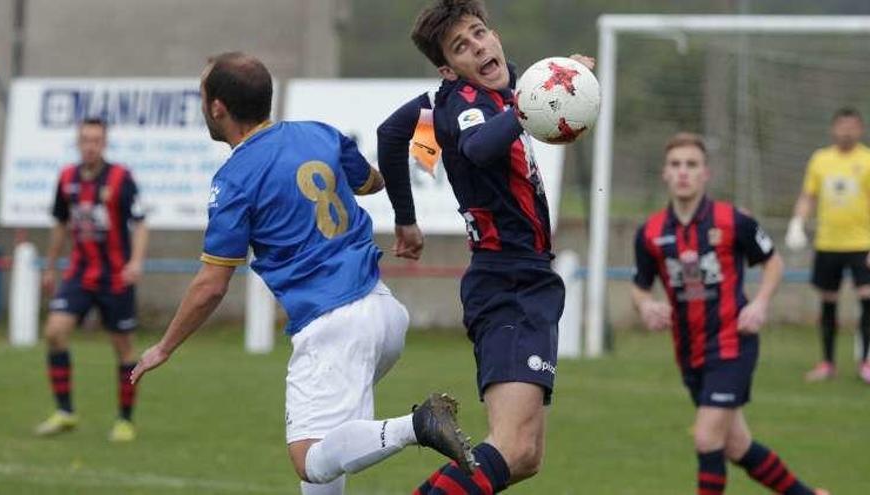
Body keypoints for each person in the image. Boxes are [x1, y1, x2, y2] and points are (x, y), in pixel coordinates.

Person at [129, 52, 472, 495]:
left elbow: (211, 286)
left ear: (217, 107)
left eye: (202, 95)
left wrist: (164, 346)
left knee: (310, 458)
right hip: (383, 311)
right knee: (333, 445)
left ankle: (418, 425)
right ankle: (412, 427)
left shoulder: (234, 180)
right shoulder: (317, 134)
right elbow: (370, 182)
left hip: (333, 325)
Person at [377, 1, 590, 491]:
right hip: (507, 282)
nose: (478, 46)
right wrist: (527, 106)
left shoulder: (482, 94)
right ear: (448, 68)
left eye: (479, 33)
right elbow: (476, 147)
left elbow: (391, 133)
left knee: (526, 456)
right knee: (511, 445)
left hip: (526, 278)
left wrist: (405, 221)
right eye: (461, 46)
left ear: (493, 34)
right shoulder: (466, 103)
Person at [632, 132, 828, 495]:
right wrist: (646, 306)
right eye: (676, 165)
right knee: (736, 445)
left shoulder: (732, 220)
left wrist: (760, 303)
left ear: (706, 173)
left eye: (692, 164)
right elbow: (639, 285)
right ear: (665, 173)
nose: (683, 172)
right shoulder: (651, 232)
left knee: (707, 437)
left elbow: (773, 262)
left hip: (732, 344)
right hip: (689, 352)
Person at [34, 117, 149, 442]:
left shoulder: (121, 178)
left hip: (115, 276)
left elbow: (140, 222)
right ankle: (65, 412)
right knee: (55, 332)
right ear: (78, 142)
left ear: (104, 143)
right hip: (80, 273)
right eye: (85, 139)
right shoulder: (67, 178)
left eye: (96, 140)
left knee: (123, 348)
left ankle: (125, 420)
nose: (90, 145)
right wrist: (51, 266)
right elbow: (60, 223)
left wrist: (136, 261)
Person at [785, 107, 870, 383]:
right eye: (842, 125)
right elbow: (808, 196)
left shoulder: (867, 160)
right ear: (833, 128)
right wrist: (797, 223)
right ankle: (827, 363)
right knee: (828, 301)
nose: (847, 131)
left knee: (867, 299)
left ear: (860, 129)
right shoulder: (821, 160)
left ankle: (866, 363)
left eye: (852, 126)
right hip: (828, 242)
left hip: (862, 243)